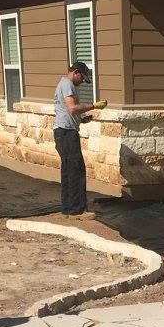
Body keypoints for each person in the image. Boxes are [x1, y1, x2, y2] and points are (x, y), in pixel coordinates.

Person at [53, 62, 106, 217]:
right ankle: (77, 211)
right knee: (76, 170)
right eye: (82, 78)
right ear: (75, 72)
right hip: (66, 133)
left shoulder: (64, 84)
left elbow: (68, 112)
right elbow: (72, 108)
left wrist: (82, 120)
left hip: (63, 132)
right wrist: (94, 106)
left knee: (69, 170)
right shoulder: (67, 84)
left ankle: (68, 208)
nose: (82, 82)